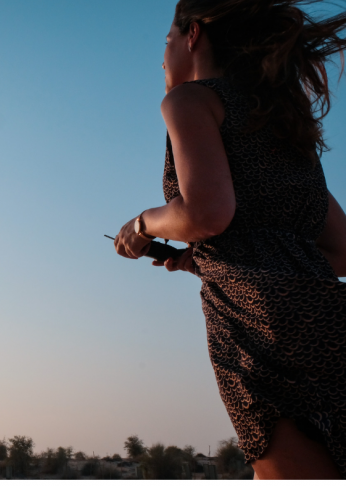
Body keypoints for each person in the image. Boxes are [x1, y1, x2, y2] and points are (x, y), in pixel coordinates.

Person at [114, 0, 346, 479]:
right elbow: (341, 253)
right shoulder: (284, 125)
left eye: (167, 41)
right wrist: (210, 261)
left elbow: (206, 213)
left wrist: (142, 225)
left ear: (193, 35)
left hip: (264, 325)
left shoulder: (190, 100)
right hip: (330, 319)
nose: (162, 58)